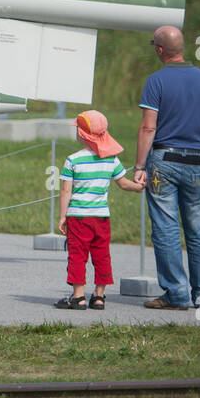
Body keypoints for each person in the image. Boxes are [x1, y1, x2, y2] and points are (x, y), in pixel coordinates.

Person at [131, 26, 200, 310]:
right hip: (196, 160)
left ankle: (176, 294)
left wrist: (139, 165)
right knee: (197, 229)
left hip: (163, 161)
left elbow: (148, 127)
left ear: (159, 50)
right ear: (182, 48)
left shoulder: (155, 81)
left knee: (166, 229)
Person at [55, 110, 143, 310]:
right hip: (102, 218)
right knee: (102, 254)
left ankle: (78, 297)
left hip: (78, 218)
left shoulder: (73, 160)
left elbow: (65, 190)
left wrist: (62, 216)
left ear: (82, 135)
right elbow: (123, 183)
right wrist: (139, 187)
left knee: (77, 255)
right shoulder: (111, 159)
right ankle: (99, 295)